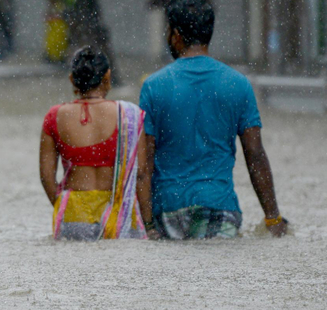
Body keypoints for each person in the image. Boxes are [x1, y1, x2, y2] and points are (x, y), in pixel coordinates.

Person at [139, 0, 287, 239]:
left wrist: (148, 226)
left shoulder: (153, 87)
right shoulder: (238, 84)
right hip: (220, 208)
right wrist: (273, 218)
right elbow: (255, 155)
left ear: (175, 35)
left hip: (168, 211)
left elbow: (144, 167)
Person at [39, 46, 154, 241]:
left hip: (74, 213)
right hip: (119, 212)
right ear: (107, 76)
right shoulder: (130, 115)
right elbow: (141, 174)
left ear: (71, 79)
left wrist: (62, 205)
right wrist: (149, 223)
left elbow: (46, 177)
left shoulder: (55, 116)